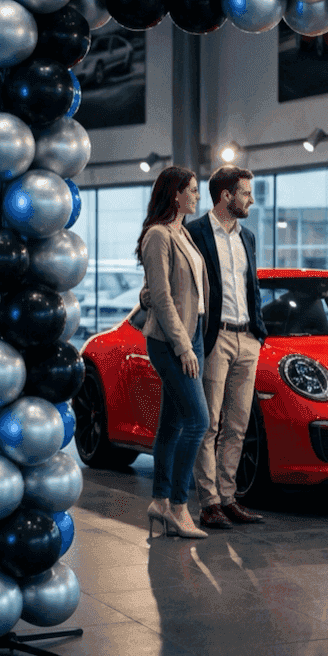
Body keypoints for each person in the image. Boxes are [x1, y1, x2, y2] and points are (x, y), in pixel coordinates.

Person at [185, 165, 268, 529]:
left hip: (247, 338)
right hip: (214, 338)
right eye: (246, 193)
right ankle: (209, 503)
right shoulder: (194, 234)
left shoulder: (246, 237)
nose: (251, 199)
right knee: (209, 424)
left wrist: (258, 333)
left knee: (237, 424)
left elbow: (254, 288)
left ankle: (229, 497)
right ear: (226, 196)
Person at [137, 165, 211, 539]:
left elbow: (175, 289)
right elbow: (162, 298)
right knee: (198, 421)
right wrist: (184, 346)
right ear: (176, 194)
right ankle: (180, 507)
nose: (198, 196)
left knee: (172, 425)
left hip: (191, 333)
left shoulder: (181, 233)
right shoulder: (158, 236)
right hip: (170, 340)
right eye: (193, 190)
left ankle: (160, 500)